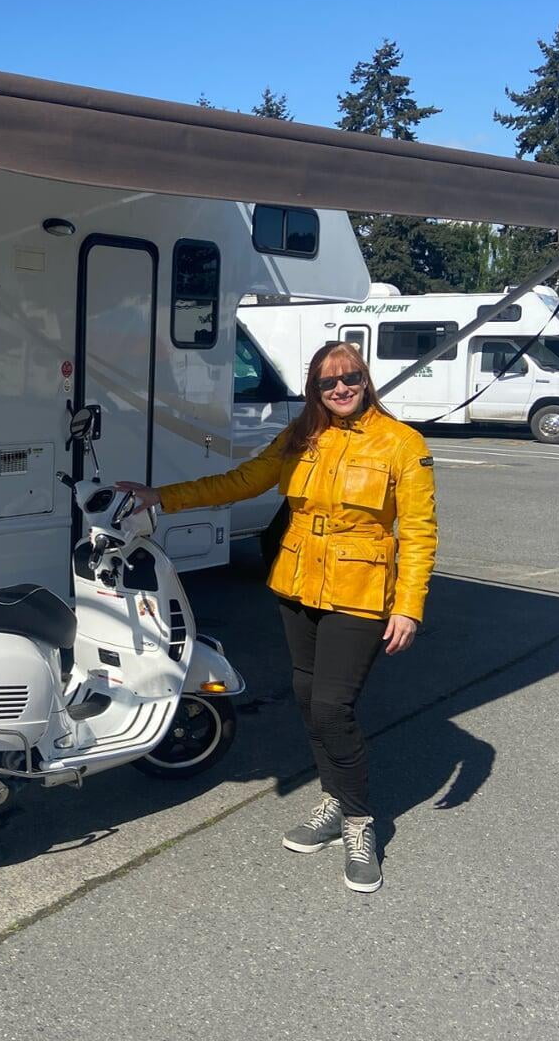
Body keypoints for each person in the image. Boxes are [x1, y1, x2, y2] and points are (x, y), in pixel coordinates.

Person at [119, 340, 437, 893]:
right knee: (309, 699)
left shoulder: (402, 444)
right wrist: (159, 497)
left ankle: (359, 820)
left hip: (360, 594)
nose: (340, 388)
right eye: (327, 381)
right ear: (314, 389)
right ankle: (333, 802)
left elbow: (418, 531)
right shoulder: (300, 437)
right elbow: (240, 481)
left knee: (334, 707)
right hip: (297, 584)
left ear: (366, 379)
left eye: (351, 378)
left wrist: (408, 605)